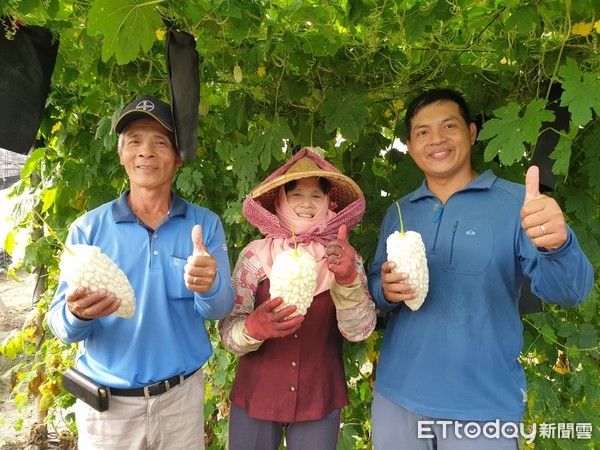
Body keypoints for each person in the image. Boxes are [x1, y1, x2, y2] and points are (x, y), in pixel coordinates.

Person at [368, 88, 594, 449]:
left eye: (448, 126)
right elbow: (375, 281)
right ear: (410, 147)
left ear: (472, 133)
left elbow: (570, 292)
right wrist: (384, 289)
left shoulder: (518, 204)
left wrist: (558, 244)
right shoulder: (399, 211)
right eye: (422, 132)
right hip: (397, 399)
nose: (436, 139)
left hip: (483, 406)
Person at [48, 95, 235, 449]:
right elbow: (60, 324)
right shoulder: (87, 230)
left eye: (160, 142)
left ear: (178, 158)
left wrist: (209, 285)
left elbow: (220, 309)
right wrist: (75, 314)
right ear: (121, 155)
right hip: (108, 411)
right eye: (134, 141)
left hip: (180, 401)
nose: (146, 152)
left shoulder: (204, 225)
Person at [219, 148, 377, 450]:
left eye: (316, 196)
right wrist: (253, 328)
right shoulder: (254, 256)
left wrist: (346, 280)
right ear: (280, 199)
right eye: (296, 195)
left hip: (319, 398)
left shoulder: (344, 257)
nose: (307, 204)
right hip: (255, 396)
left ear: (328, 202)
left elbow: (359, 332)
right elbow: (229, 336)